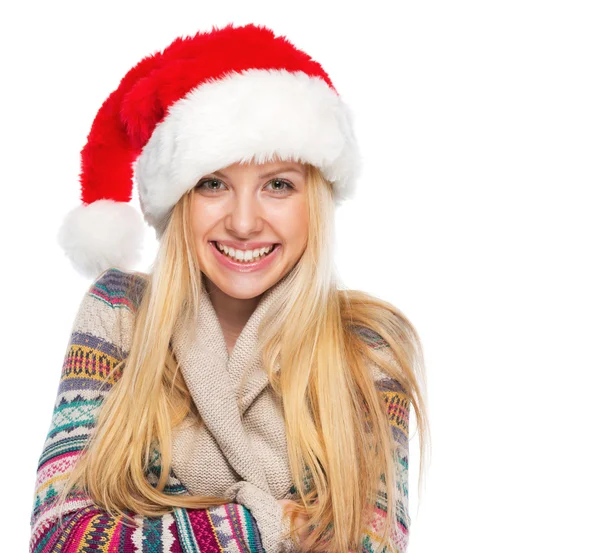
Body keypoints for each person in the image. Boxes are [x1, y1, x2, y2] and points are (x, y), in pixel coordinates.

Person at [29, 22, 430, 553]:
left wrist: (152, 530)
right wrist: (275, 524)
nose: (243, 223)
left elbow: (367, 544)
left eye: (278, 185)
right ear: (178, 201)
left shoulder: (370, 345)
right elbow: (60, 538)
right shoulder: (119, 315)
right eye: (212, 184)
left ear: (316, 202)